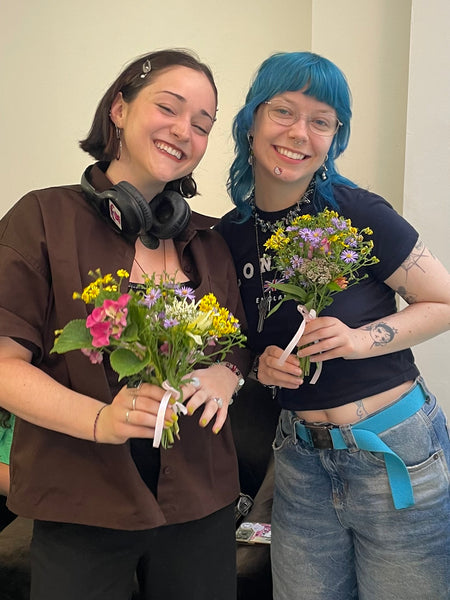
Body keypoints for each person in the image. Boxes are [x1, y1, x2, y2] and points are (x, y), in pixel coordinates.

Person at [0, 49, 250, 600]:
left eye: (203, 125)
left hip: (201, 505)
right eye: (170, 107)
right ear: (119, 108)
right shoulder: (40, 219)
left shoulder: (209, 242)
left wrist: (227, 376)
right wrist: (101, 422)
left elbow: (236, 348)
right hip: (81, 502)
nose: (185, 131)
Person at [216, 51, 450, 600]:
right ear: (251, 121)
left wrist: (358, 340)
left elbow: (442, 300)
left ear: (333, 138)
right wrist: (264, 368)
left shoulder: (356, 212)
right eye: (284, 112)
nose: (300, 132)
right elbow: (243, 347)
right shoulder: (227, 236)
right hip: (298, 462)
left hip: (392, 448)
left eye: (321, 121)